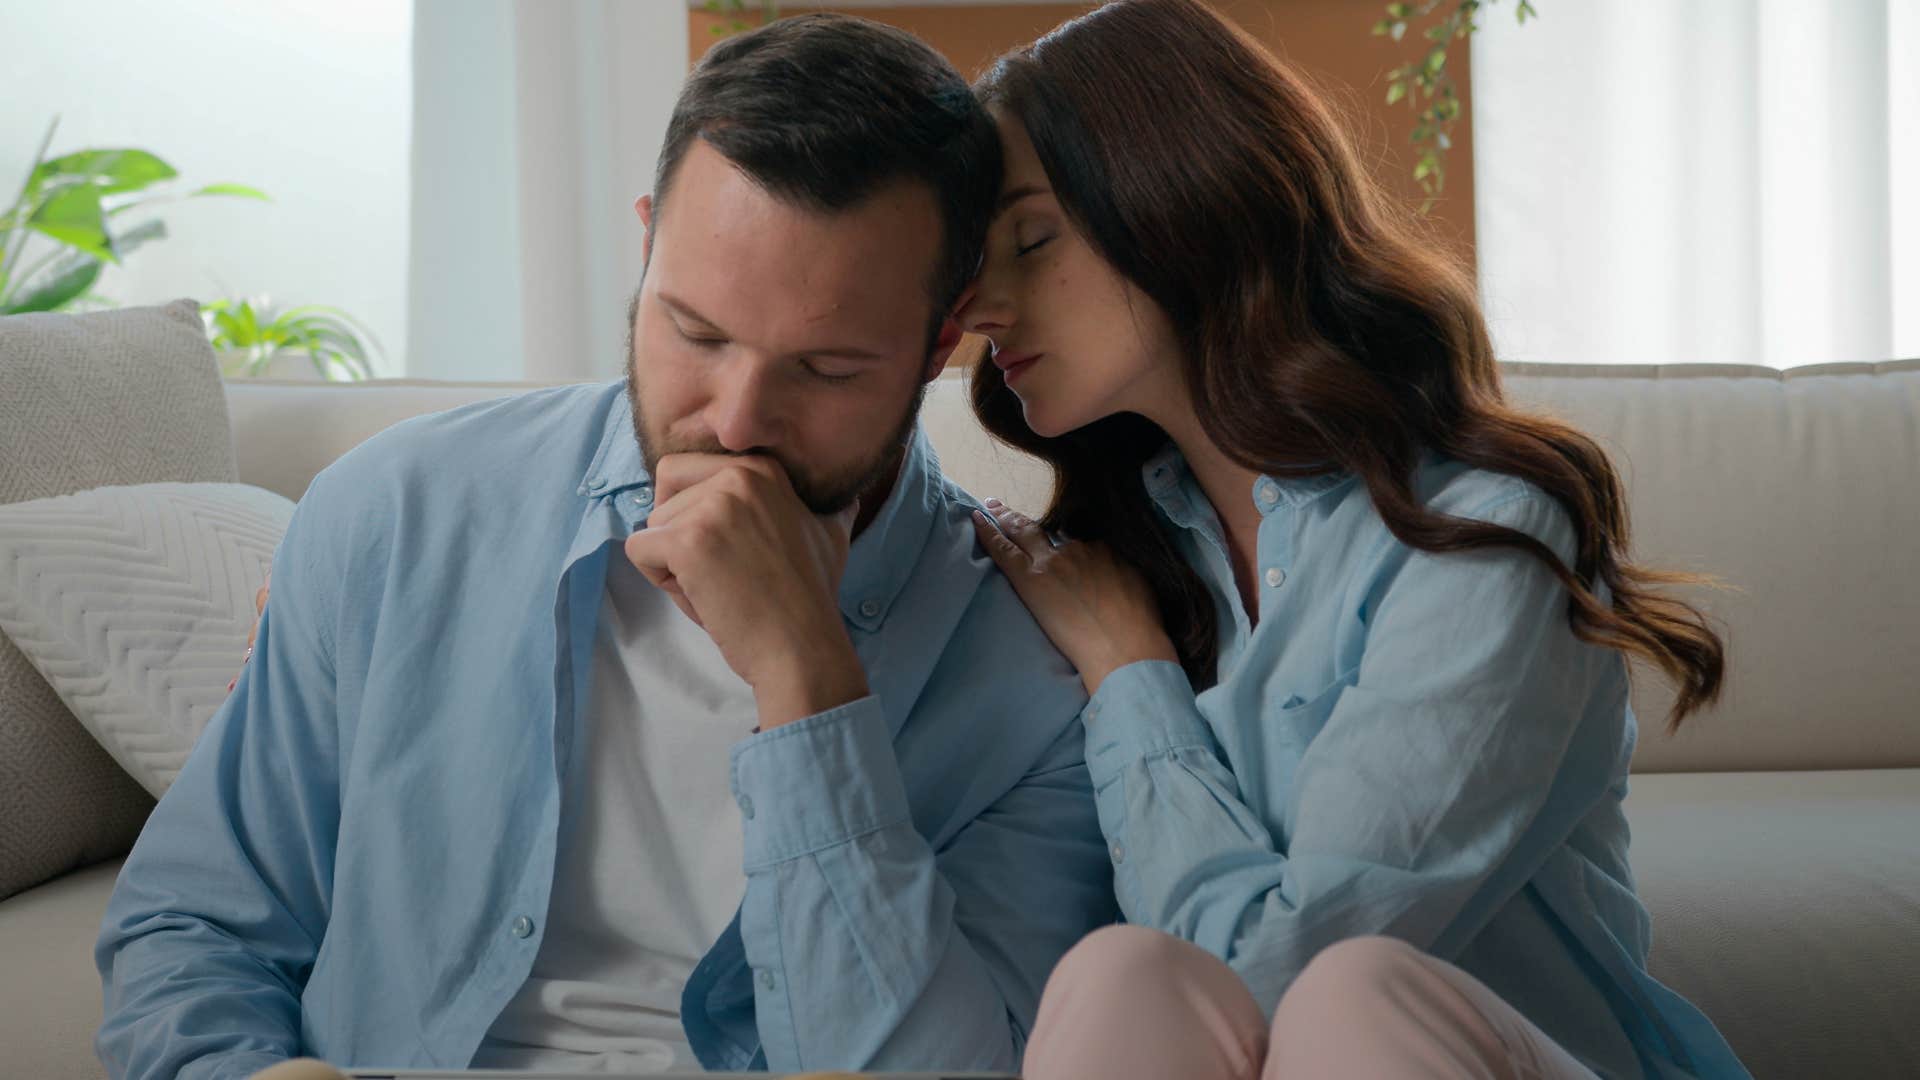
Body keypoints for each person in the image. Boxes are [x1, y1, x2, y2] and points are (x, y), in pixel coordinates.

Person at [94, 15, 1117, 1080]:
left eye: (826, 369)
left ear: (941, 341)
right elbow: (195, 928)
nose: (735, 420)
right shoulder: (395, 517)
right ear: (643, 247)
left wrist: (809, 686)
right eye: (697, 332)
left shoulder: (1033, 679)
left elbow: (945, 1067)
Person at [958, 1, 1750, 1077]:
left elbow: (1283, 972)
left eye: (1032, 238)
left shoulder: (1483, 529)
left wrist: (1132, 677)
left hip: (1449, 1049)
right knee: (1115, 974)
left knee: (1350, 992)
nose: (983, 307)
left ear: (1181, 200)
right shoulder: (1111, 563)